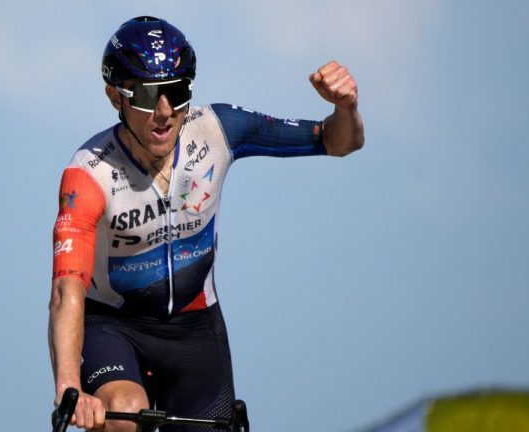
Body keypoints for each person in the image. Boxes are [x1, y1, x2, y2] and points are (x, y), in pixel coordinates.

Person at [49, 16, 364, 432]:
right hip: (113, 324)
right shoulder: (89, 174)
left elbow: (339, 141)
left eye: (177, 93)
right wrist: (70, 387)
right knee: (124, 413)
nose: (164, 112)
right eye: (147, 95)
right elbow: (66, 286)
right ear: (115, 97)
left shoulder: (218, 130)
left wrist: (346, 107)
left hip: (195, 327)